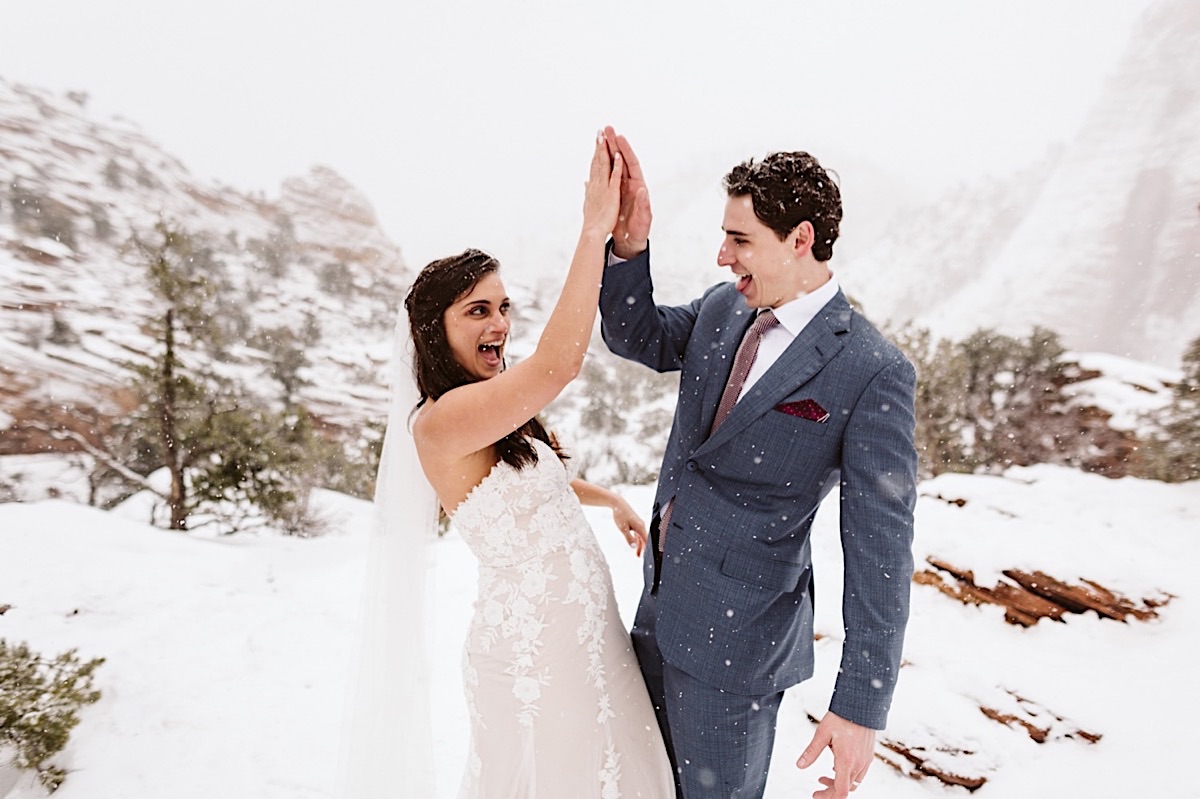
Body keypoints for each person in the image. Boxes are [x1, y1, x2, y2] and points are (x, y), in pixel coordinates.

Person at [344, 132, 674, 798]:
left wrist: (611, 499)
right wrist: (594, 233)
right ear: (434, 331)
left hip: (590, 638)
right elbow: (559, 365)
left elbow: (537, 482)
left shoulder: (492, 410)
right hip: (536, 656)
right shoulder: (439, 422)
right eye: (476, 311)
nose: (498, 323)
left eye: (502, 307)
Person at [597, 127, 918, 799]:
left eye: (739, 240)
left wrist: (860, 703)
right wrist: (630, 242)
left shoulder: (871, 371)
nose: (722, 256)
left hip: (736, 654)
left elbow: (880, 552)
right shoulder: (724, 307)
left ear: (800, 239)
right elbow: (639, 335)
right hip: (657, 611)